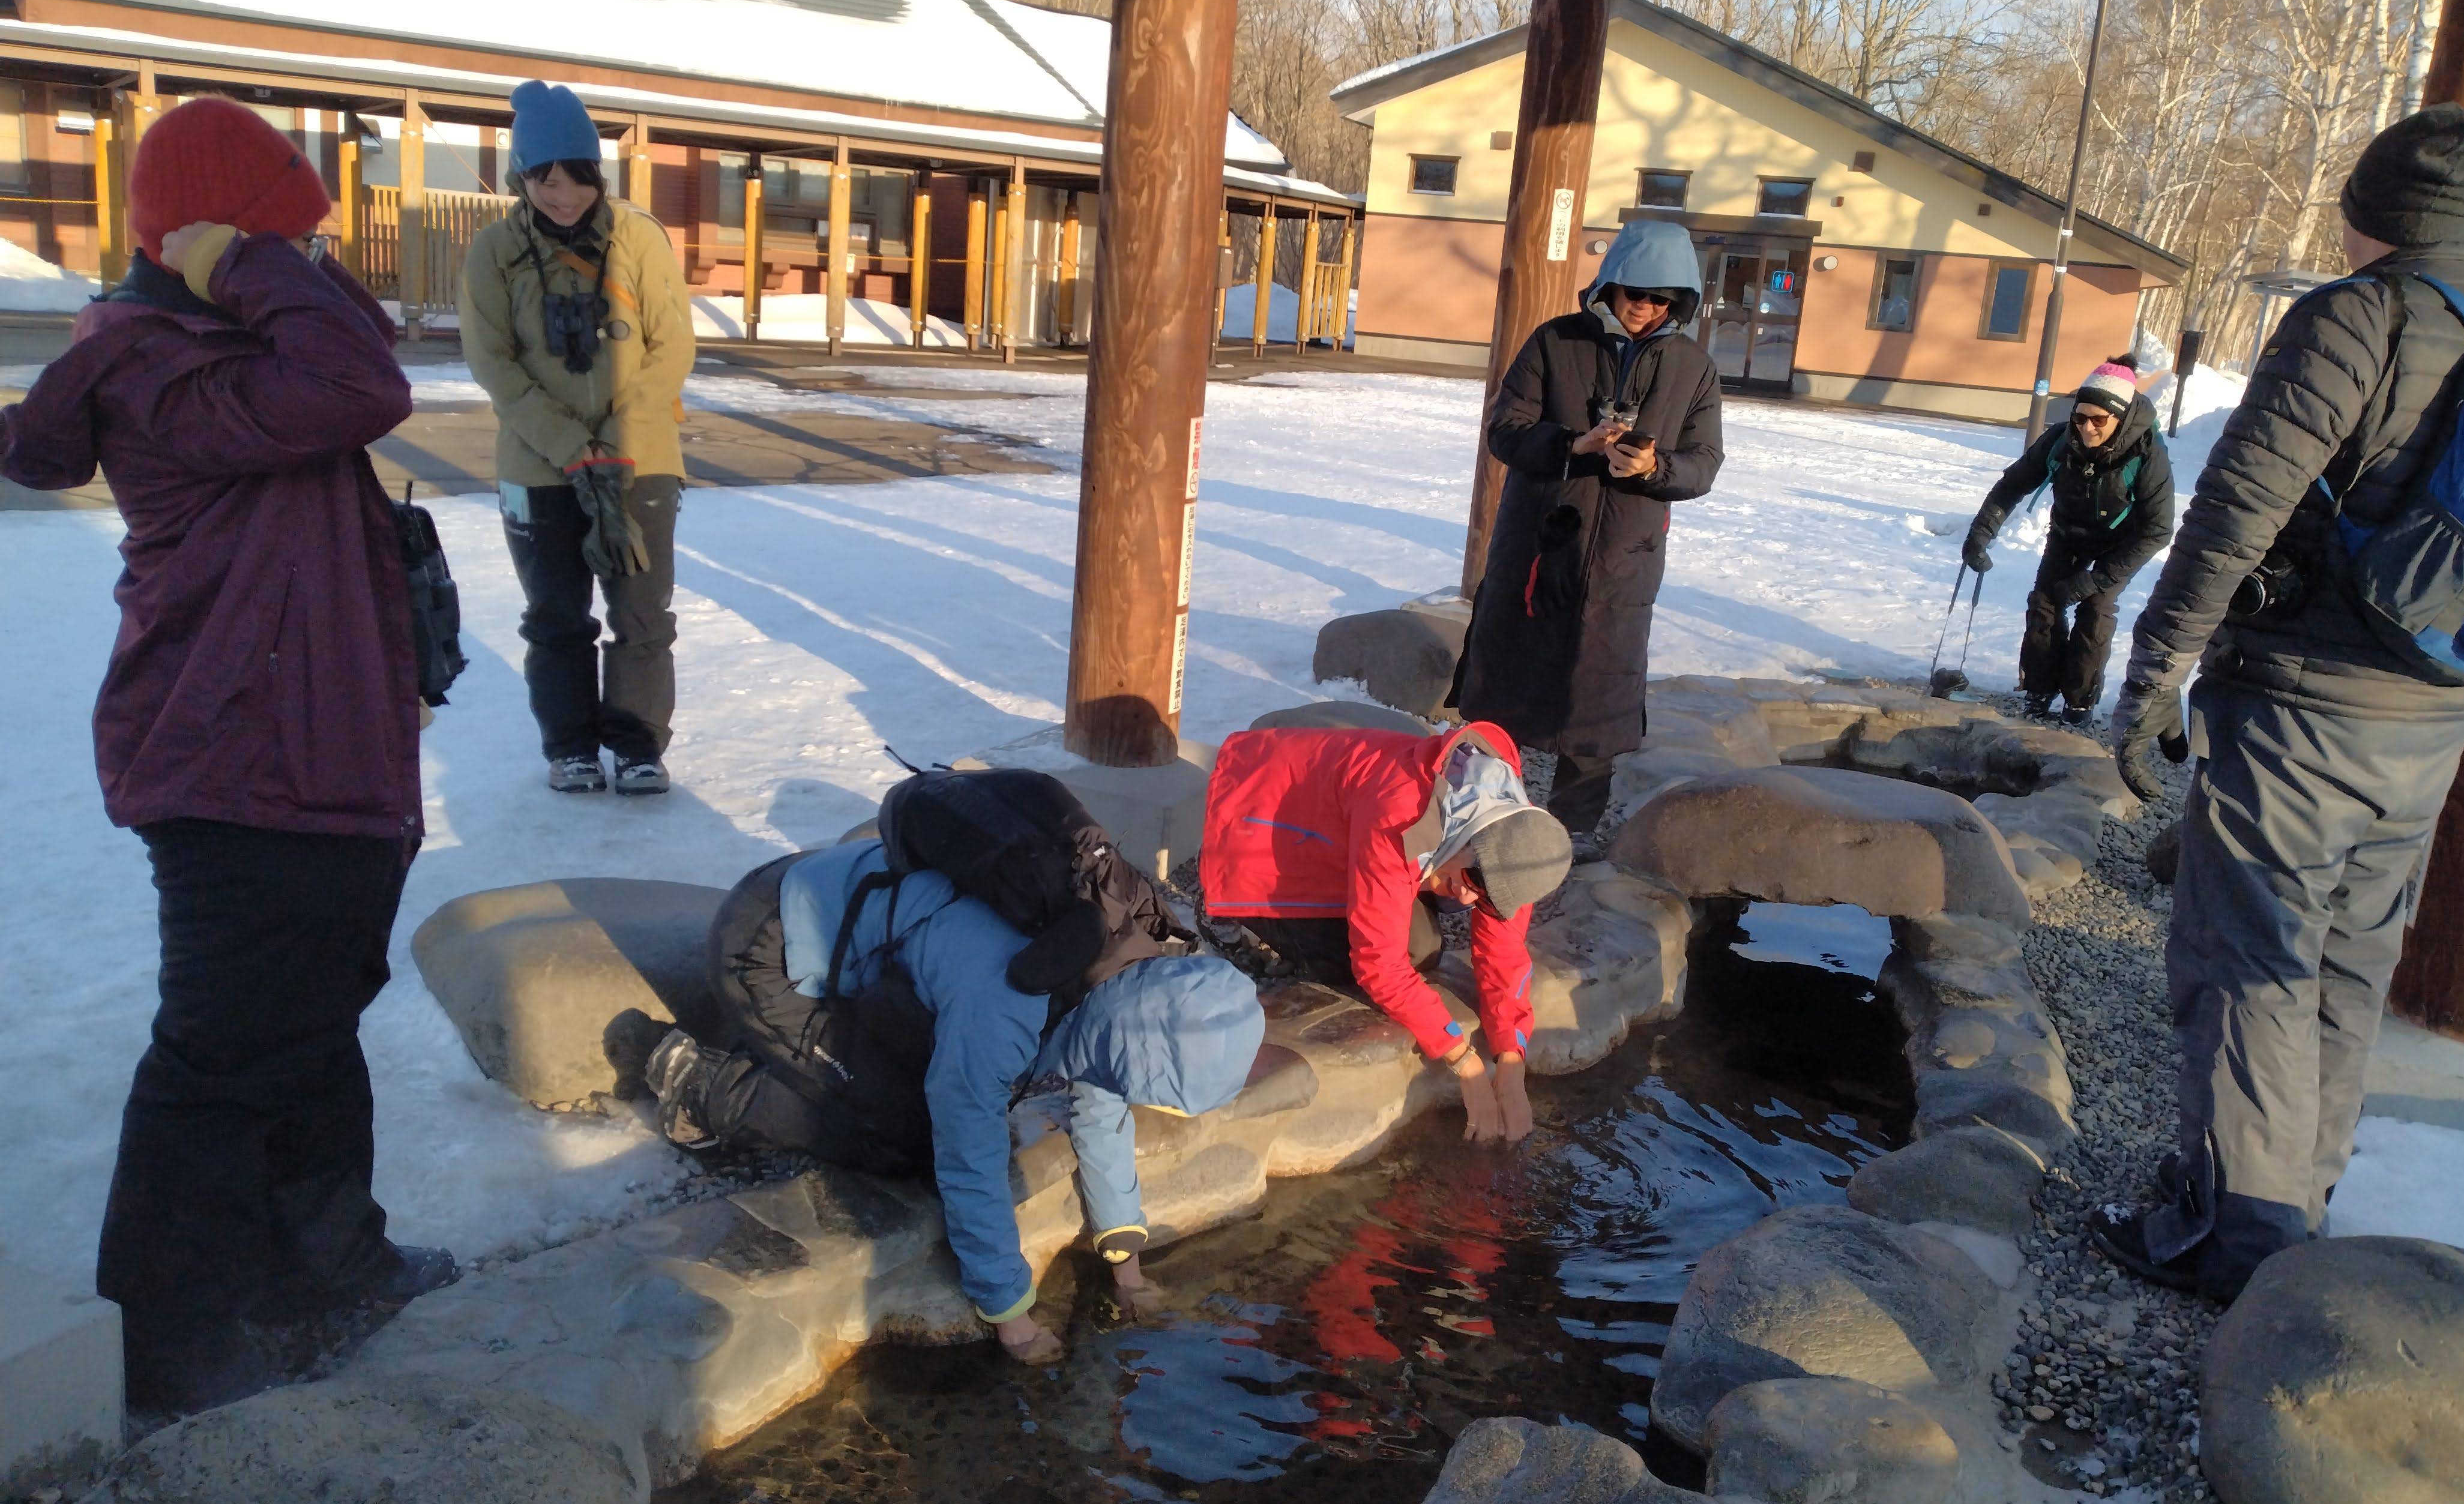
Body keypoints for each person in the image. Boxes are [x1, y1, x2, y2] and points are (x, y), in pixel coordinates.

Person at [0, 97, 454, 1413]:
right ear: (202, 243)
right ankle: (171, 1357)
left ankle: (331, 1267)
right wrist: (244, 261)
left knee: (311, 1028)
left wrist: (273, 262)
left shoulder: (220, 335)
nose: (304, 265)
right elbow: (365, 386)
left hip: (309, 752)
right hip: (238, 764)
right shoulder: (163, 366)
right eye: (279, 239)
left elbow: (353, 351)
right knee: (220, 1059)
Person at [2091, 103, 2464, 1303]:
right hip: (2431, 709)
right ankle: (2291, 1207)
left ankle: (2235, 1244)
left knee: (2247, 955)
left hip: (2302, 703)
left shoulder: (2357, 320)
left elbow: (2233, 512)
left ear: (2371, 208)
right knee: (2342, 963)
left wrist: (2153, 669)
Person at [637, 843, 1266, 1365]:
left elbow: (1102, 1109)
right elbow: (968, 1157)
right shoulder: (1010, 1006)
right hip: (766, 939)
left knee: (932, 1093)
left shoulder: (1123, 984)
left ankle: (792, 1051)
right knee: (902, 1137)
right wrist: (1012, 1318)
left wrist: (1125, 1261)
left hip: (856, 921)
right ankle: (703, 1086)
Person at [459, 80, 694, 796]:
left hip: (641, 460)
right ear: (521, 177)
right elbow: (491, 360)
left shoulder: (639, 238)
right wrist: (568, 443)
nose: (561, 195)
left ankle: (637, 744)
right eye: (543, 178)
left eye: (575, 177)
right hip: (538, 465)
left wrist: (619, 437)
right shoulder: (494, 251)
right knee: (557, 616)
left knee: (641, 614)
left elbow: (671, 345)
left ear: (598, 173)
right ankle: (570, 747)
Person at [1456, 221, 1724, 838]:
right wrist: (1570, 445)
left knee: (1599, 698)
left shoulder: (1693, 367)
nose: (1644, 307)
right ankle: (1481, 820)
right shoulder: (1554, 342)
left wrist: (1655, 468)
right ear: (1609, 285)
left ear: (1679, 303)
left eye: (1662, 299)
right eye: (1635, 291)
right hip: (1536, 545)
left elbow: (1704, 462)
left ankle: (1571, 833)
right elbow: (1505, 430)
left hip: (1623, 557)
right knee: (1504, 683)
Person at [1197, 721, 1574, 1144]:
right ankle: (1235, 917)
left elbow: (1504, 952)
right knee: (1377, 958)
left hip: (1351, 823)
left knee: (1422, 944)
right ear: (1467, 841)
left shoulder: (1515, 837)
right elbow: (1380, 964)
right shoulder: (1400, 813)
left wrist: (1511, 1062)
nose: (1468, 901)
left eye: (1485, 896)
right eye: (1471, 879)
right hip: (1263, 820)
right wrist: (1465, 1065)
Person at [1961, 359, 2176, 723]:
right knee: (2044, 605)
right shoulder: (2060, 439)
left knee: (2095, 612)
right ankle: (2040, 688)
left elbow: (2158, 530)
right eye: (2080, 417)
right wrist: (1980, 534)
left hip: (2120, 543)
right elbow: (2013, 485)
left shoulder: (2147, 452)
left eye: (2098, 420)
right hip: (2067, 534)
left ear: (2119, 418)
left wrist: (2096, 579)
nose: (2087, 428)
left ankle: (2079, 699)